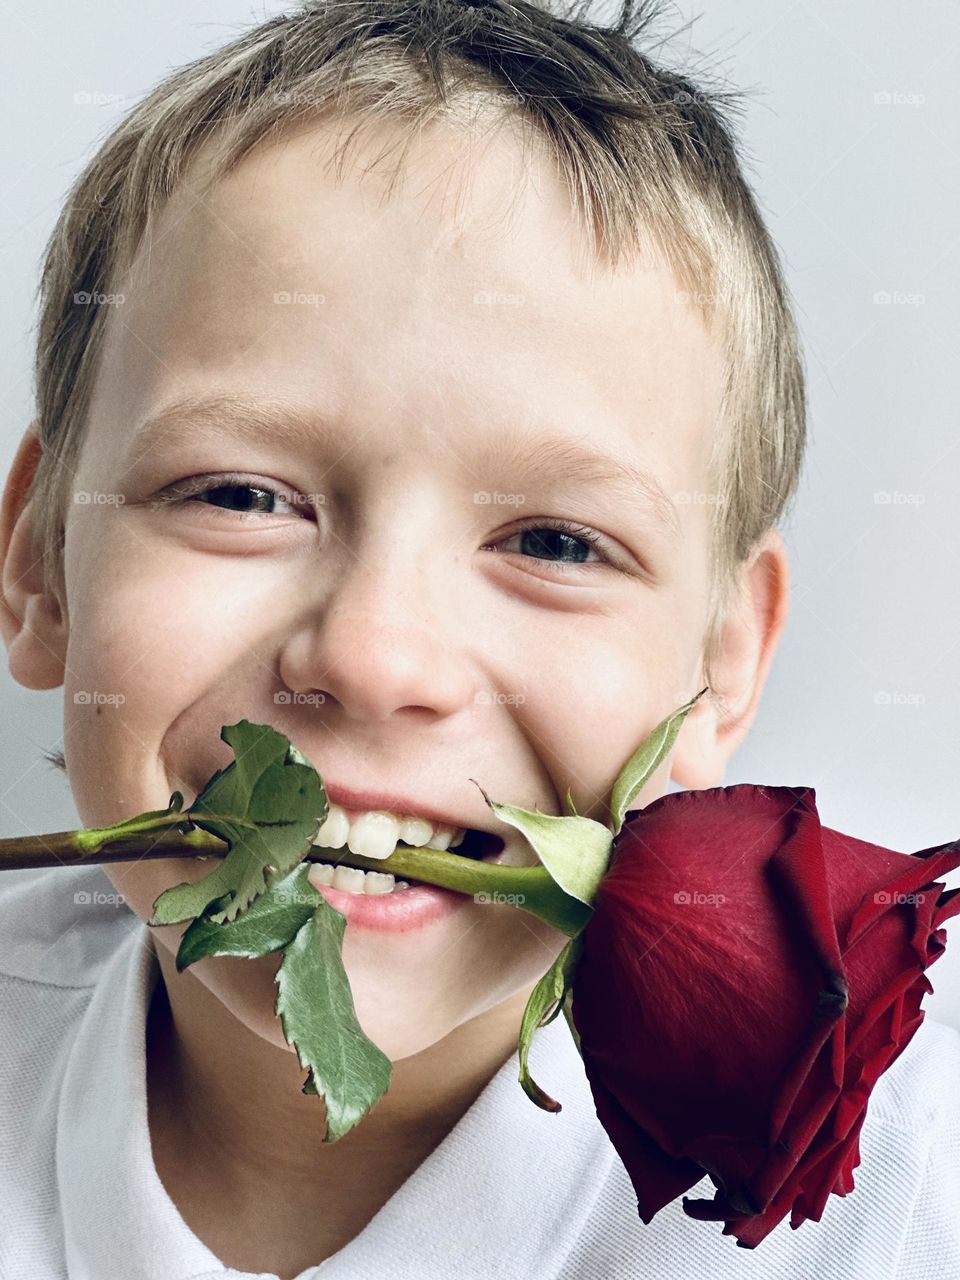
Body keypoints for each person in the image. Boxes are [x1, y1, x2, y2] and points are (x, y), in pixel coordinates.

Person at [1, 1, 957, 1277]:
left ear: (722, 664)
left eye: (556, 542)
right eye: (237, 494)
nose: (375, 656)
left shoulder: (912, 1208)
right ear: (37, 565)